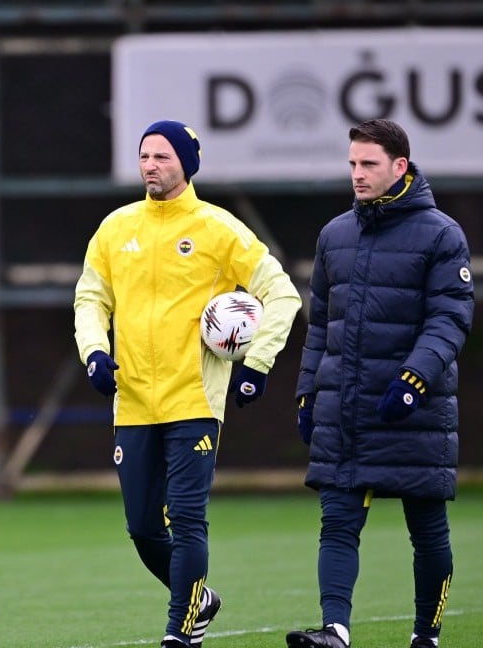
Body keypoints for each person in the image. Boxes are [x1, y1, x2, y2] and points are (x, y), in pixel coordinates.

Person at [73, 120, 302, 648]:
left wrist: (257, 363)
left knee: (188, 519)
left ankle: (180, 633)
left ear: (186, 165)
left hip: (194, 400)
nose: (150, 165)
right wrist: (95, 353)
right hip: (131, 402)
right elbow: (91, 299)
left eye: (162, 156)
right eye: (144, 156)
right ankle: (201, 599)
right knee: (142, 529)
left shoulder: (218, 229)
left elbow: (282, 293)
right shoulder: (115, 228)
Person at [287, 119, 474, 648]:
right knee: (337, 524)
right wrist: (307, 393)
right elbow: (320, 325)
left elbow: (450, 318)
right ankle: (336, 631)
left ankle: (426, 636)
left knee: (428, 531)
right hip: (344, 410)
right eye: (351, 164)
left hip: (413, 411)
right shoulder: (334, 235)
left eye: (368, 164)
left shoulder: (442, 234)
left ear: (400, 166)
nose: (357, 175)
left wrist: (414, 379)